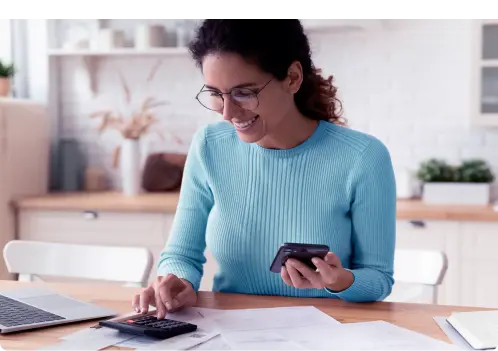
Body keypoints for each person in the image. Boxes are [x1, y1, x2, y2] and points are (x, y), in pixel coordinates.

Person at [132, 16, 397, 319]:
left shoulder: (363, 157)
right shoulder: (209, 146)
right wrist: (177, 282)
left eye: (244, 92)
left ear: (293, 78)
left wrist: (340, 281)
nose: (228, 113)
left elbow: (378, 278)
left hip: (327, 332)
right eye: (216, 94)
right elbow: (181, 255)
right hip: (230, 331)